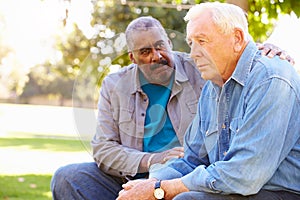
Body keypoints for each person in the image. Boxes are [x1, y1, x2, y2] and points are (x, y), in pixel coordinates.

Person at [50, 16, 293, 200]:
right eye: (145, 52)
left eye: (160, 46)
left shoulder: (200, 68)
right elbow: (103, 149)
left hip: (187, 176)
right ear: (132, 58)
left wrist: (265, 51)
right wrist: (153, 161)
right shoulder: (114, 85)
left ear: (169, 42)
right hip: (134, 174)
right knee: (67, 177)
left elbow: (231, 56)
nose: (156, 56)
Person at [117, 3, 300, 200]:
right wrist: (151, 183)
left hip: (278, 192)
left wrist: (160, 190)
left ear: (237, 39)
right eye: (191, 43)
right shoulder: (212, 88)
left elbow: (245, 174)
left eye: (202, 41)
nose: (194, 53)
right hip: (234, 188)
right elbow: (191, 159)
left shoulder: (270, 79)